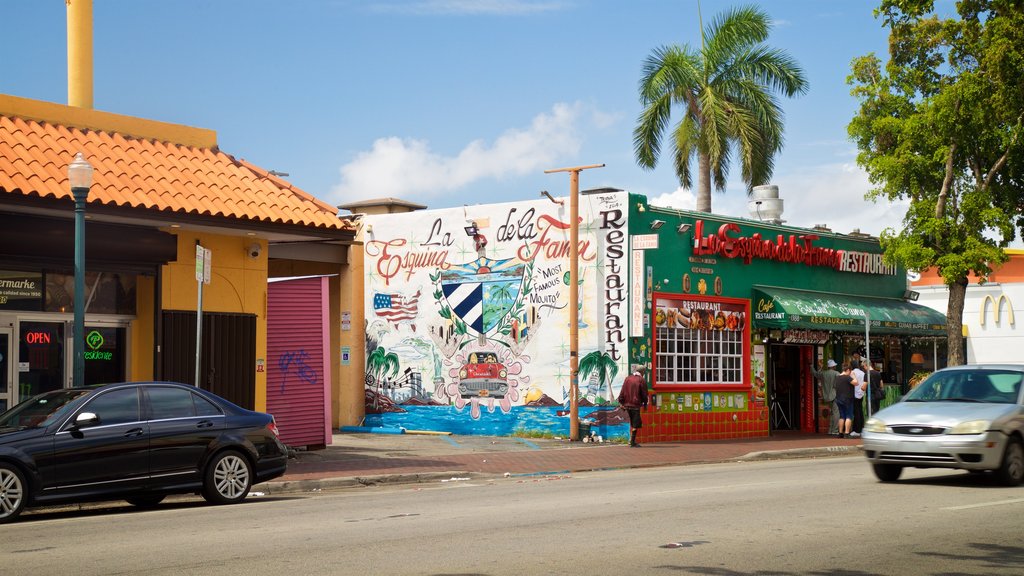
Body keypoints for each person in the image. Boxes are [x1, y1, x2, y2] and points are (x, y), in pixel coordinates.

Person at [617, 366, 649, 447]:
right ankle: (632, 441)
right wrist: (645, 404)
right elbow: (644, 394)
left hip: (627, 404)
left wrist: (621, 402)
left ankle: (631, 440)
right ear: (642, 372)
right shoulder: (641, 380)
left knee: (633, 421)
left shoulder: (628, 378)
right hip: (635, 404)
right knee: (635, 423)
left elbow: (623, 390)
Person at [810, 358, 840, 436]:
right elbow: (837, 385)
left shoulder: (823, 373)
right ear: (833, 366)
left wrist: (811, 365)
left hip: (826, 396)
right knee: (836, 413)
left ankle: (830, 430)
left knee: (832, 413)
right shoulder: (837, 373)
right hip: (835, 395)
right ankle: (834, 430)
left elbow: (815, 373)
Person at [834, 362, 858, 438]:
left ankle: (840, 433)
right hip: (848, 399)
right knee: (848, 416)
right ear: (848, 370)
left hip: (838, 399)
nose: (850, 372)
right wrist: (854, 376)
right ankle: (847, 433)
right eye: (850, 371)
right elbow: (856, 383)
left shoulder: (837, 377)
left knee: (842, 416)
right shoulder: (847, 377)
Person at [850, 360, 866, 437]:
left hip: (854, 394)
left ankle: (857, 430)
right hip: (861, 393)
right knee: (860, 411)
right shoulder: (863, 373)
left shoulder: (852, 373)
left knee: (856, 412)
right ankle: (861, 429)